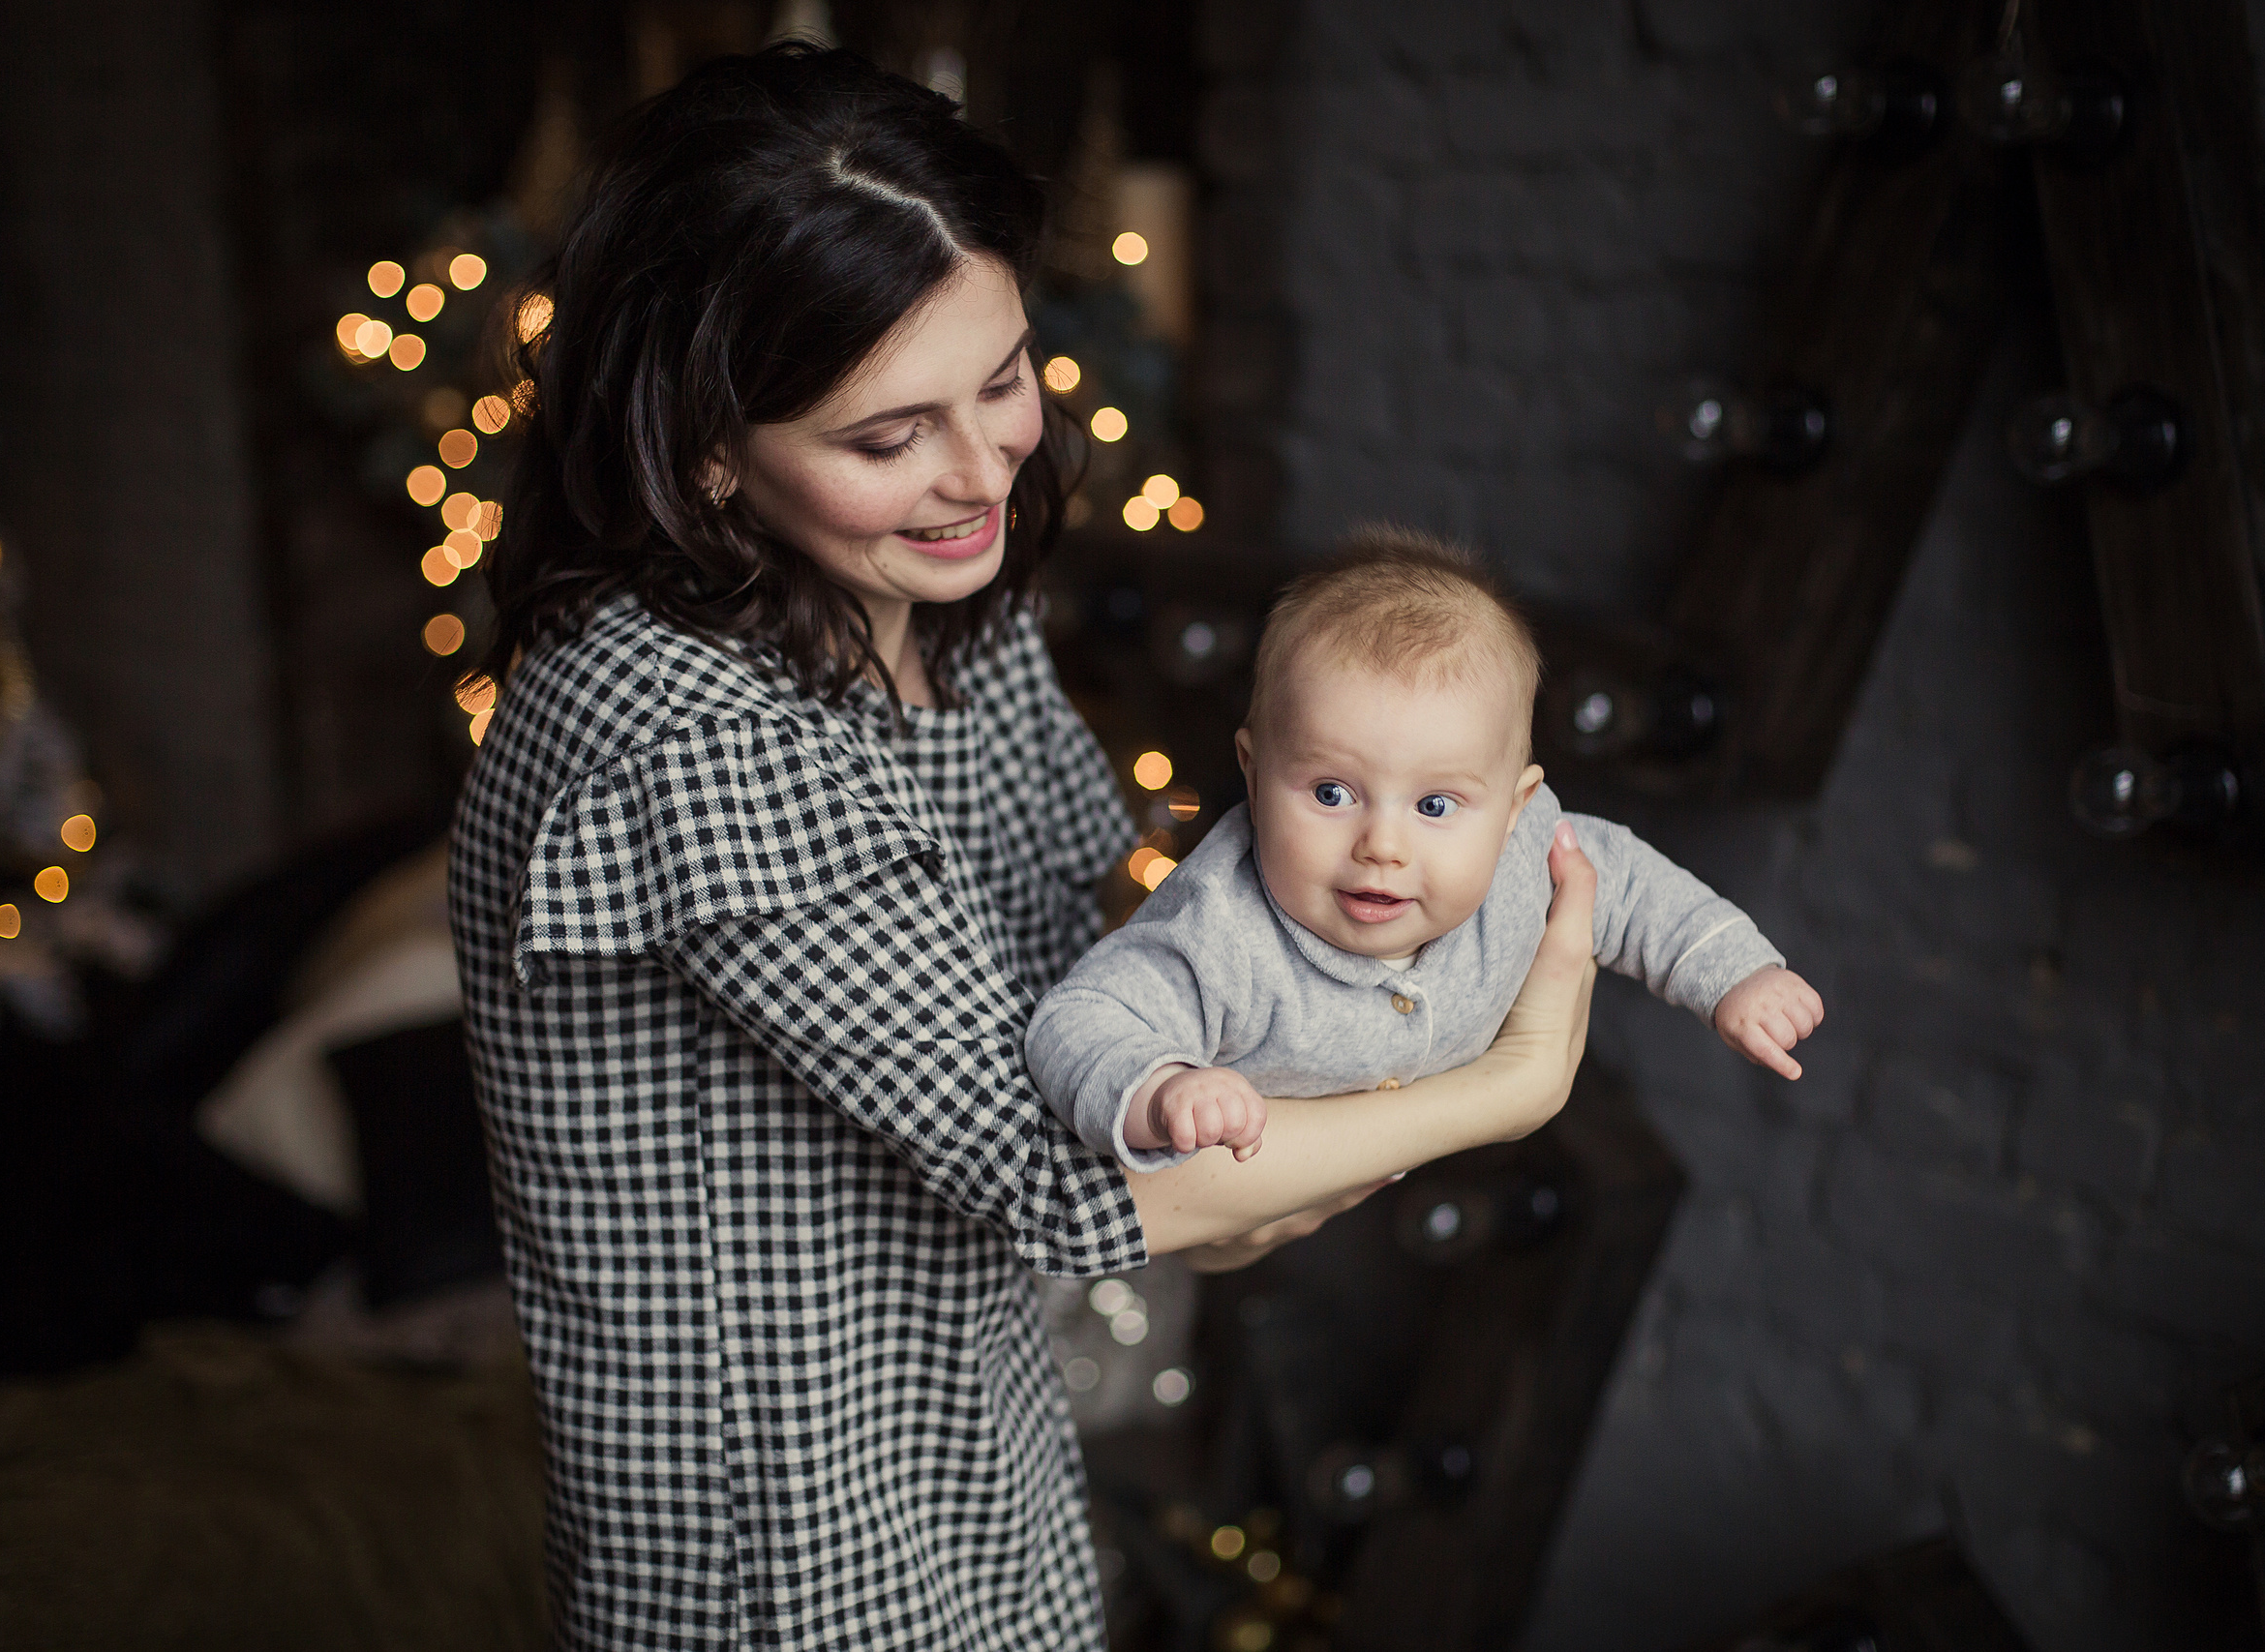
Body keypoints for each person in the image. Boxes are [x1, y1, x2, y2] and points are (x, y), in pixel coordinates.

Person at [446, 45, 1599, 1652]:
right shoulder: (681, 736)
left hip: (982, 1476)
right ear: (711, 446)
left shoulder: (939, 614)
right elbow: (1086, 1180)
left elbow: (1104, 967)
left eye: (1001, 378)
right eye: (888, 433)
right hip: (781, 1564)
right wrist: (1503, 1081)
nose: (988, 468)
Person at [1028, 530, 1825, 1166]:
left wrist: (1736, 974)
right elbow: (1078, 1020)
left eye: (1436, 805)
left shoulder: (1530, 854)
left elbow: (1633, 886)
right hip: (1221, 1200)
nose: (1381, 845)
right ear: (1254, 769)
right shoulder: (1221, 932)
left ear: (1514, 808)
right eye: (1331, 793)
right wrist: (1161, 1090)